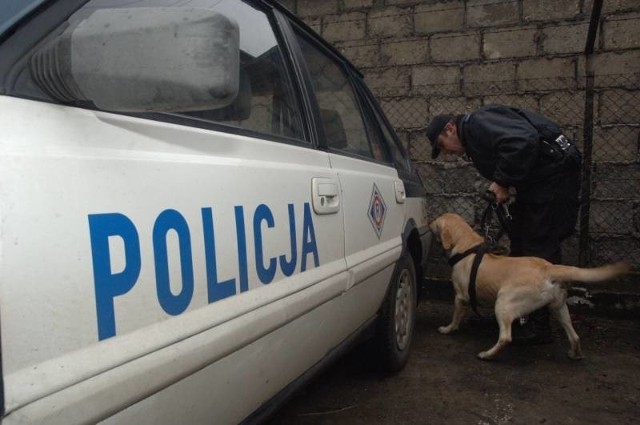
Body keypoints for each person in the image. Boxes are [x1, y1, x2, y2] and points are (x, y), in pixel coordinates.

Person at [426, 104, 582, 345]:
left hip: (555, 174)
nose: (446, 153)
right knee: (520, 241)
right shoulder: (474, 130)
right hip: (542, 177)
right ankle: (517, 316)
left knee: (539, 241)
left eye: (442, 145)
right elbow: (518, 146)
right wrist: (507, 184)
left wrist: (501, 181)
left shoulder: (475, 124)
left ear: (450, 129)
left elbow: (523, 140)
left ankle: (539, 327)